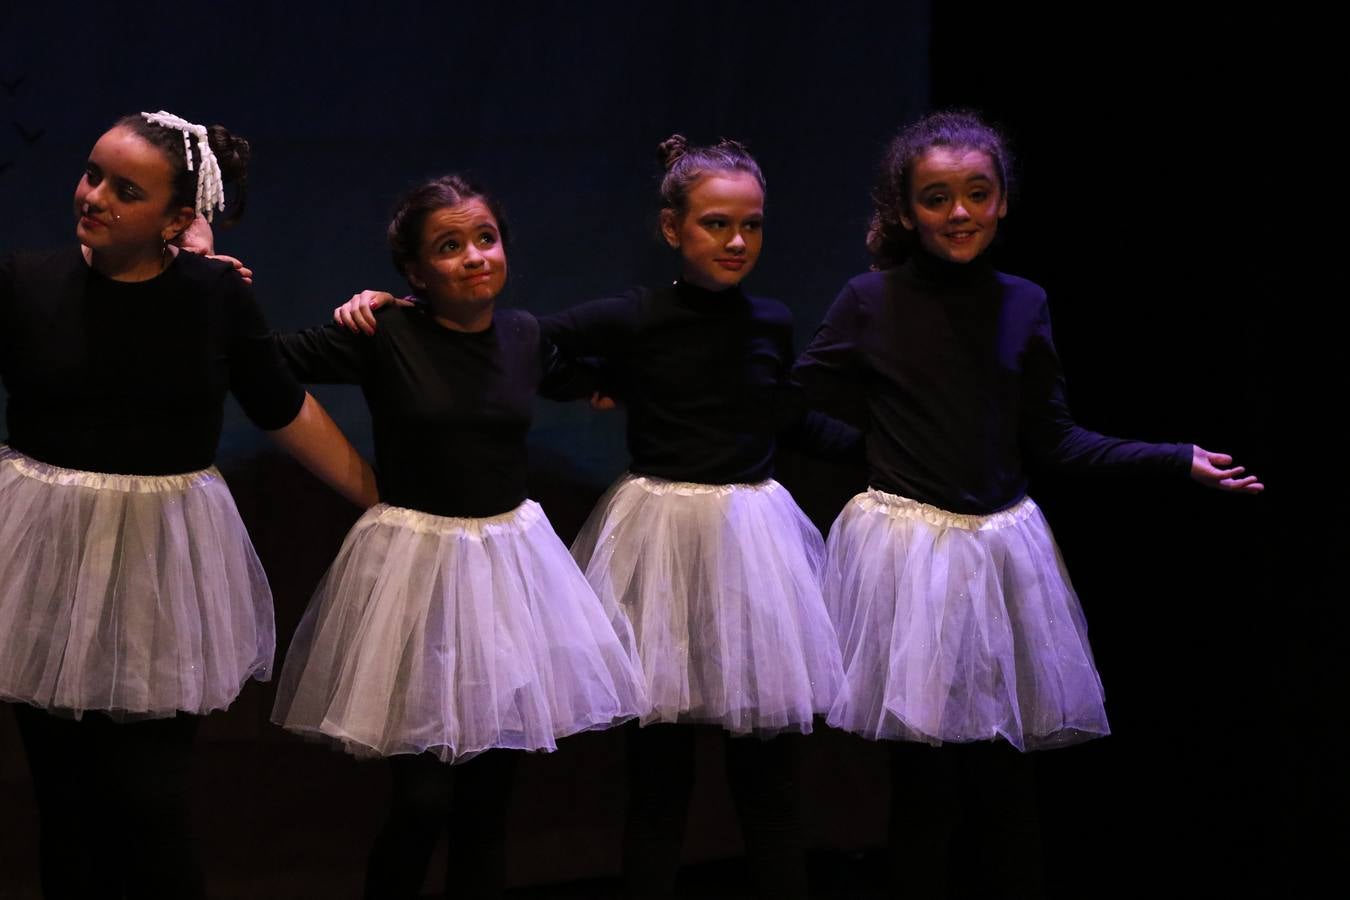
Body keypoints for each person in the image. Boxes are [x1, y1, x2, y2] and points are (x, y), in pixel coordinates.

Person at [333, 136, 852, 900]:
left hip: (756, 547)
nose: (736, 240)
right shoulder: (636, 315)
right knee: (658, 777)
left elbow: (780, 414)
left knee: (769, 782)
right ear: (674, 228)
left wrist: (885, 456)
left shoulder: (770, 321)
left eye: (752, 225)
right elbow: (520, 342)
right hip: (663, 543)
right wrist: (406, 310)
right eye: (715, 223)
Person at [793, 109, 1263, 897]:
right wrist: (869, 455)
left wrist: (1174, 459)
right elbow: (790, 403)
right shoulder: (870, 300)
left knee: (1008, 791)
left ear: (1003, 201)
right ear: (907, 212)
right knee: (925, 792)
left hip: (1002, 556)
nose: (960, 213)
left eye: (977, 194)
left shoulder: (1023, 302)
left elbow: (1057, 440)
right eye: (937, 198)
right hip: (911, 558)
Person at [0, 110, 376, 899]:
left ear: (179, 218)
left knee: (150, 800)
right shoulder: (27, 281)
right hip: (44, 558)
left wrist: (377, 497)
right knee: (63, 803)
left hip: (158, 562)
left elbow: (279, 405)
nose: (94, 195)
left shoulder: (214, 294)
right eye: (92, 172)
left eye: (125, 189)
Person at [269, 174, 647, 899]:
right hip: (415, 575)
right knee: (423, 803)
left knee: (485, 808)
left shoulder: (524, 336)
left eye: (485, 239)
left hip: (505, 574)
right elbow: (270, 363)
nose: (476, 257)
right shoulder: (388, 334)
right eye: (450, 247)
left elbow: (590, 378)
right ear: (415, 273)